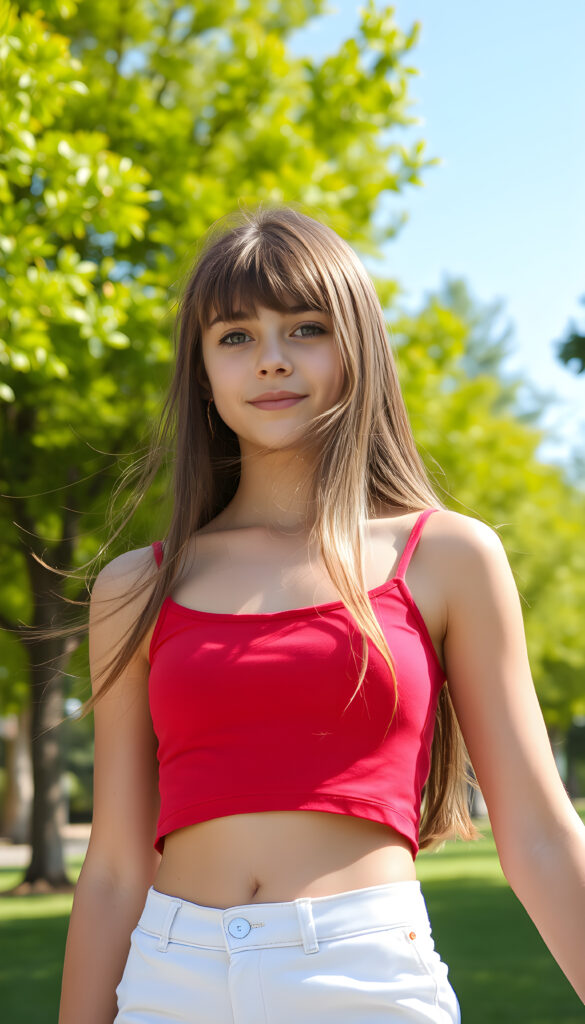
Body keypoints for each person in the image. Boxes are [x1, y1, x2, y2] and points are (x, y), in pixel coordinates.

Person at [58, 203, 585, 1023]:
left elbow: (541, 837)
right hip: (170, 977)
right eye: (235, 337)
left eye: (304, 329)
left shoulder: (449, 556)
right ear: (201, 371)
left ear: (357, 348)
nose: (270, 361)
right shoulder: (134, 588)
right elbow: (116, 868)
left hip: (364, 973)